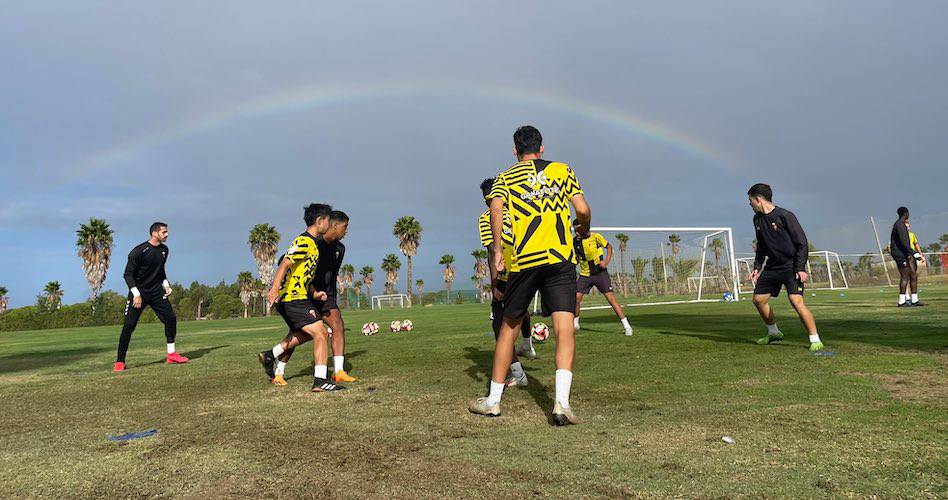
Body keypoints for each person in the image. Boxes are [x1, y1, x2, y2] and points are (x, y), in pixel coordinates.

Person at [469, 125, 590, 426]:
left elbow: (496, 211)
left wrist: (498, 250)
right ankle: (561, 404)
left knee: (508, 328)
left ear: (514, 150)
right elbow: (583, 209)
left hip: (525, 262)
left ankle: (493, 401)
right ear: (542, 147)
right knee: (564, 329)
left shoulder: (504, 178)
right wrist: (583, 227)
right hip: (560, 259)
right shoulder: (563, 171)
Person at [258, 203, 345, 392]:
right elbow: (285, 264)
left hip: (300, 296)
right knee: (321, 333)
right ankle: (320, 381)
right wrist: (274, 290)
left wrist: (314, 292)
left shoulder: (313, 244)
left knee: (308, 333)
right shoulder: (304, 241)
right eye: (328, 221)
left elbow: (304, 274)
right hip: (292, 298)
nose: (330, 225)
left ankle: (271, 355)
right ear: (320, 221)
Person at [746, 184, 824, 352]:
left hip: (791, 266)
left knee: (796, 301)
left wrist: (800, 268)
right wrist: (757, 267)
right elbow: (761, 245)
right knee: (758, 300)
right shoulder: (757, 219)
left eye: (750, 201)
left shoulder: (785, 216)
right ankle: (773, 332)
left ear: (758, 199)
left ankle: (815, 339)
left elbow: (802, 243)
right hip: (772, 267)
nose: (750, 204)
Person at [479, 178, 533, 388]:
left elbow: (493, 251)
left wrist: (494, 284)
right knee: (519, 314)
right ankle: (527, 345)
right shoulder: (519, 211)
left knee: (500, 326)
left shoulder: (487, 218)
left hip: (507, 276)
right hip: (528, 271)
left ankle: (518, 376)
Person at [114, 222, 189, 371]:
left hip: (156, 292)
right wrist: (136, 294)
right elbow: (127, 274)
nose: (167, 235)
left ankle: (171, 354)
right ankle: (120, 361)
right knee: (129, 325)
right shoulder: (138, 251)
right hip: (139, 293)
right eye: (164, 232)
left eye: (167, 232)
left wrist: (166, 284)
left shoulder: (164, 250)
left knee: (170, 319)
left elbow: (160, 271)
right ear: (155, 233)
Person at [572, 221, 633, 336]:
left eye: (578, 230)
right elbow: (576, 257)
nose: (576, 232)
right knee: (576, 298)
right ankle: (576, 323)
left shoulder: (596, 237)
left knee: (611, 299)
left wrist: (606, 261)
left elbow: (609, 247)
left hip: (600, 274)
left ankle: (627, 326)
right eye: (575, 230)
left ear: (584, 228)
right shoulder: (575, 241)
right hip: (585, 274)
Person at [890, 208, 924, 306]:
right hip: (900, 255)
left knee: (913, 275)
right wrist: (915, 253)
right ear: (906, 213)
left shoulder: (901, 224)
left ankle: (914, 300)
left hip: (906, 253)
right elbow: (904, 243)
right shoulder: (899, 225)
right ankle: (901, 301)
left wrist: (910, 254)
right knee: (905, 276)